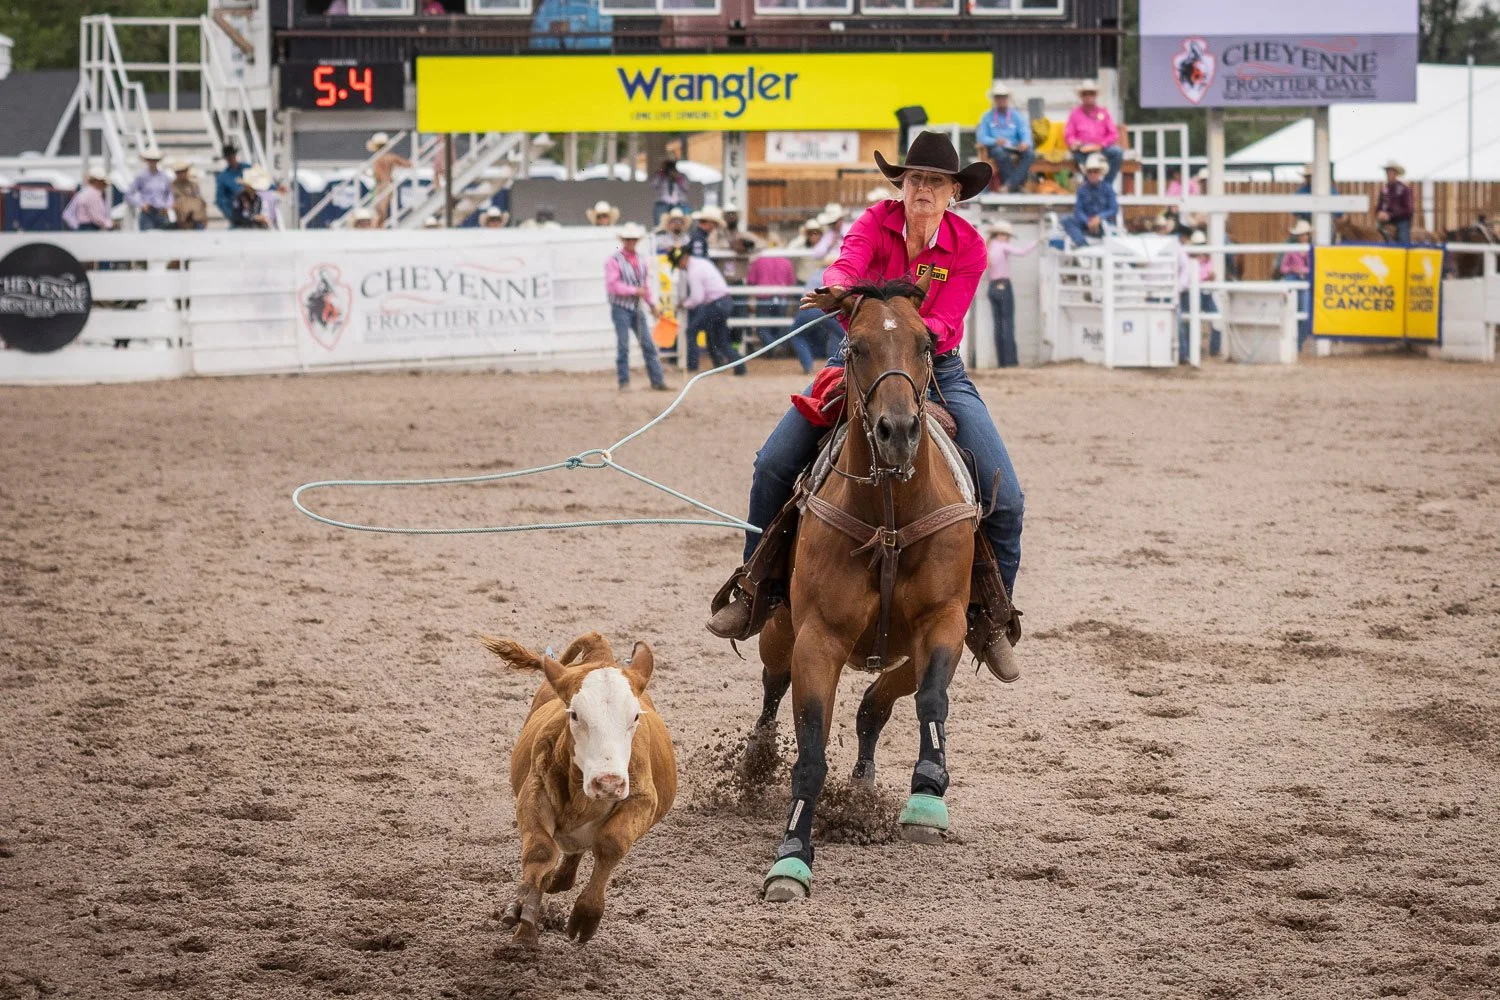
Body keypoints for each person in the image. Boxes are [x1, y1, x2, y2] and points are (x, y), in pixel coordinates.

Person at [705, 131, 1024, 682]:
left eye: (936, 181)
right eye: (916, 178)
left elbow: (947, 322)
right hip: (865, 361)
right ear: (902, 184)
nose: (924, 188)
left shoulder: (969, 246)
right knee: (775, 463)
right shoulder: (875, 223)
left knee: (1007, 496)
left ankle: (988, 617)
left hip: (935, 367)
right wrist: (838, 289)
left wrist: (905, 333)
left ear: (954, 192)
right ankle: (757, 587)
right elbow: (846, 266)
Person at [604, 223, 670, 392]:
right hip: (621, 307)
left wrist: (652, 305)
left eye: (633, 239)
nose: (631, 242)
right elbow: (613, 286)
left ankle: (657, 380)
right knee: (624, 345)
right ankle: (624, 382)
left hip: (635, 306)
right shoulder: (614, 260)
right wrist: (635, 291)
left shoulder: (641, 260)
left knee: (647, 344)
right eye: (628, 239)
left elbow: (644, 287)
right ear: (624, 240)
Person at [671, 246, 744, 375]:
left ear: (682, 260)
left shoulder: (693, 271)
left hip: (716, 304)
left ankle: (693, 366)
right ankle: (738, 365)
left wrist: (684, 304)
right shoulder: (701, 263)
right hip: (724, 302)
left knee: (692, 330)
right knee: (720, 338)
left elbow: (697, 298)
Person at [985, 220, 1036, 368]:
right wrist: (1037, 241)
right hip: (1003, 285)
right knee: (1007, 323)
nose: (1007, 238)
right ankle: (1010, 360)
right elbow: (1023, 252)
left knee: (998, 324)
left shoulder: (988, 247)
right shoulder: (1002, 246)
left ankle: (1002, 361)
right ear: (1000, 235)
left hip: (992, 286)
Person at [975, 83, 1033, 193]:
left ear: (1008, 98)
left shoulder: (1016, 115)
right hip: (997, 148)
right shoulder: (987, 117)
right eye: (998, 97)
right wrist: (995, 141)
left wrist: (1025, 142)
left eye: (1004, 97)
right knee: (1000, 152)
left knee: (1029, 153)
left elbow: (1025, 131)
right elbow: (981, 137)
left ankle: (1010, 185)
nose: (1001, 99)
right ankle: (1015, 186)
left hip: (1015, 147)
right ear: (994, 99)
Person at [1064, 82, 1123, 187]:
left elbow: (1113, 134)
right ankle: (1091, 186)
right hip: (1083, 149)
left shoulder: (1104, 112)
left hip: (1101, 148)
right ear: (1081, 96)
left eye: (1091, 93)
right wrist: (1074, 142)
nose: (1088, 96)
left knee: (1117, 152)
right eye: (1085, 94)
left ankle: (1106, 186)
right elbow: (1069, 135)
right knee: (1080, 157)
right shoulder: (1075, 113)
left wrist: (1101, 145)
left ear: (1095, 95)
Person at [1177, 230, 1221, 360]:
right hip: (1192, 293)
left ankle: (1214, 348)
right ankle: (1189, 350)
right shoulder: (1189, 258)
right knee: (1189, 322)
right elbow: (1191, 277)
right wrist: (1207, 278)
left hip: (1204, 293)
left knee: (1216, 317)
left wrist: (1207, 278)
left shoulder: (1206, 259)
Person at [1060, 153, 1118, 247]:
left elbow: (1113, 209)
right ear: (1086, 173)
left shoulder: (1108, 188)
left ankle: (1082, 243)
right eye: (1090, 171)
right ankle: (1082, 245)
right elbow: (1078, 211)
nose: (1092, 174)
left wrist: (1099, 218)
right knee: (1067, 220)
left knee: (1109, 226)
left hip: (1103, 224)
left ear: (1100, 173)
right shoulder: (1082, 190)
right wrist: (1088, 222)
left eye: (1095, 171)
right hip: (1086, 224)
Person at [1277, 219, 1314, 349]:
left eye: (1305, 234)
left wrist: (1303, 270)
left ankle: (1298, 343)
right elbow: (1283, 268)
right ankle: (1295, 344)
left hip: (1305, 282)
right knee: (1298, 311)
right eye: (1302, 235)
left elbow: (1315, 268)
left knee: (1304, 313)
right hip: (1295, 279)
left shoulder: (1311, 250)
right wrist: (1293, 269)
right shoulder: (1292, 250)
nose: (1304, 237)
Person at [367, 132, 410, 227]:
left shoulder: (378, 158)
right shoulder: (390, 157)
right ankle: (380, 226)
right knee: (381, 210)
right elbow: (407, 164)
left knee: (380, 210)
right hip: (387, 184)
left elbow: (376, 175)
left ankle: (378, 227)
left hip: (382, 185)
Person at [126, 146, 172, 231]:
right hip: (148, 212)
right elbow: (129, 195)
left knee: (166, 239)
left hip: (162, 211)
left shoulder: (163, 176)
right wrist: (141, 204)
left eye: (155, 160)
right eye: (150, 160)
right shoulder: (141, 176)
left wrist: (167, 205)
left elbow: (169, 193)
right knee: (147, 239)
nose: (152, 162)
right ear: (147, 161)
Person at [1376, 160, 1414, 244]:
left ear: (1396, 174)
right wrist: (1379, 213)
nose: (1388, 174)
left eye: (1390, 172)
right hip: (1386, 221)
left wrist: (1389, 215)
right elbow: (1379, 207)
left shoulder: (1404, 189)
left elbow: (1408, 210)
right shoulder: (1384, 190)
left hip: (1401, 221)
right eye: (1387, 172)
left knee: (1403, 240)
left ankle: (1404, 252)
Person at [168, 161, 208, 230]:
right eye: (178, 172)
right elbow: (171, 202)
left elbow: (200, 201)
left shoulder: (193, 185)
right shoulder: (172, 186)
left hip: (196, 218)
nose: (181, 174)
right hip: (182, 219)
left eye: (183, 171)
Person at [650, 159, 690, 225]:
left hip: (679, 203)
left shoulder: (681, 176)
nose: (669, 168)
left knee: (681, 223)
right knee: (660, 224)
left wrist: (677, 177)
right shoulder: (660, 175)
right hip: (662, 203)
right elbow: (654, 184)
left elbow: (686, 187)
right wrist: (662, 172)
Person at [215, 144, 246, 224]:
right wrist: (232, 216)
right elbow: (220, 200)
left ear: (235, 155)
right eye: (228, 157)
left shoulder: (247, 168)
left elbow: (261, 182)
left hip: (253, 209)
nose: (231, 159)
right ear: (226, 158)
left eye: (232, 156)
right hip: (236, 211)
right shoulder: (223, 176)